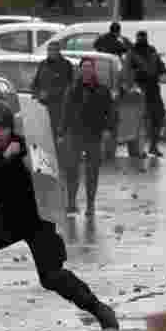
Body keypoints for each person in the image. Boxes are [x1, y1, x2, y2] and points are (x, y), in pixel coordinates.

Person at [0, 102, 119, 331]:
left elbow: (50, 173)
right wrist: (5, 156)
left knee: (52, 276)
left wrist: (29, 159)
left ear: (10, 128)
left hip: (36, 217)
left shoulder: (27, 145)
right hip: (7, 217)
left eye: (3, 129)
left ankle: (100, 310)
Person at [60, 58, 114, 215]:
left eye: (90, 67)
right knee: (72, 170)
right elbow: (66, 112)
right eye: (84, 67)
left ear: (93, 70)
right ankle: (71, 202)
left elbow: (110, 112)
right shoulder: (72, 89)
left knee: (92, 171)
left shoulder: (102, 90)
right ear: (80, 69)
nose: (87, 70)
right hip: (75, 134)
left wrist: (108, 129)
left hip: (94, 135)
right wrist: (62, 132)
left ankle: (90, 205)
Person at [127, 30, 166, 157]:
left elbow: (162, 69)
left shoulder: (152, 52)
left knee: (158, 117)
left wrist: (162, 74)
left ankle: (153, 146)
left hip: (153, 90)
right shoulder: (132, 53)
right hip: (139, 90)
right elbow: (127, 72)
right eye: (140, 37)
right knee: (141, 120)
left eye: (143, 37)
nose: (141, 39)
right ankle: (138, 149)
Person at [31, 40, 75, 138]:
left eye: (54, 50)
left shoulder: (66, 65)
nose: (51, 52)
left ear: (59, 51)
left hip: (59, 108)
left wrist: (49, 94)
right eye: (49, 50)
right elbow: (35, 83)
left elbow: (68, 86)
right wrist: (37, 93)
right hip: (41, 107)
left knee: (55, 135)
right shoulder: (43, 64)